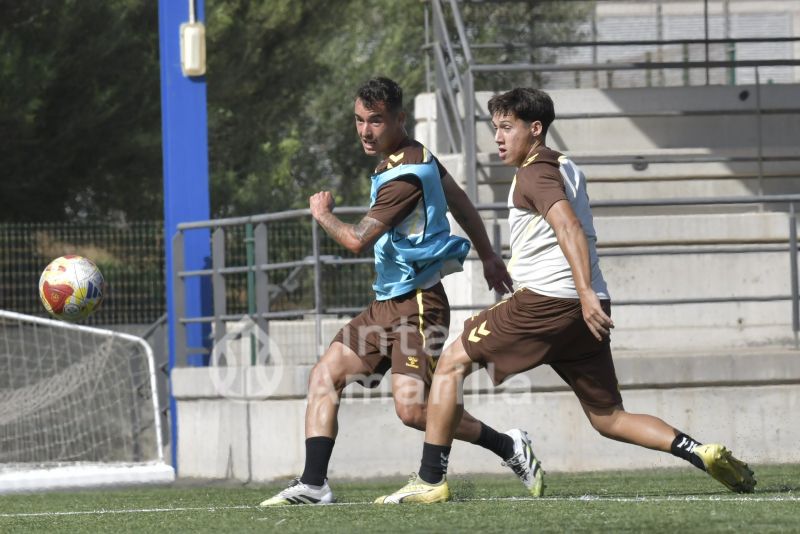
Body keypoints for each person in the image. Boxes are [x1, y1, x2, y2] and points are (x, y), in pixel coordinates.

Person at [377, 87, 756, 504]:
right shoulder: (564, 165)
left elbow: (568, 227)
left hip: (547, 302)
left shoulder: (533, 172)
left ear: (535, 129)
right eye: (495, 128)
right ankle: (699, 452)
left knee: (450, 363)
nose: (498, 138)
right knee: (608, 417)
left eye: (507, 127)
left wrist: (584, 293)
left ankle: (431, 480)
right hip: (582, 310)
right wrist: (589, 298)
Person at [259, 78, 544, 506]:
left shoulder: (405, 175)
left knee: (413, 411)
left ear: (399, 119)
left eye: (376, 120)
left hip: (418, 307)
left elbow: (357, 240)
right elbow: (460, 202)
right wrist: (488, 256)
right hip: (384, 305)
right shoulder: (413, 156)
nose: (365, 130)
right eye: (359, 120)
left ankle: (509, 447)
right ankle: (313, 484)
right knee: (324, 376)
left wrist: (322, 215)